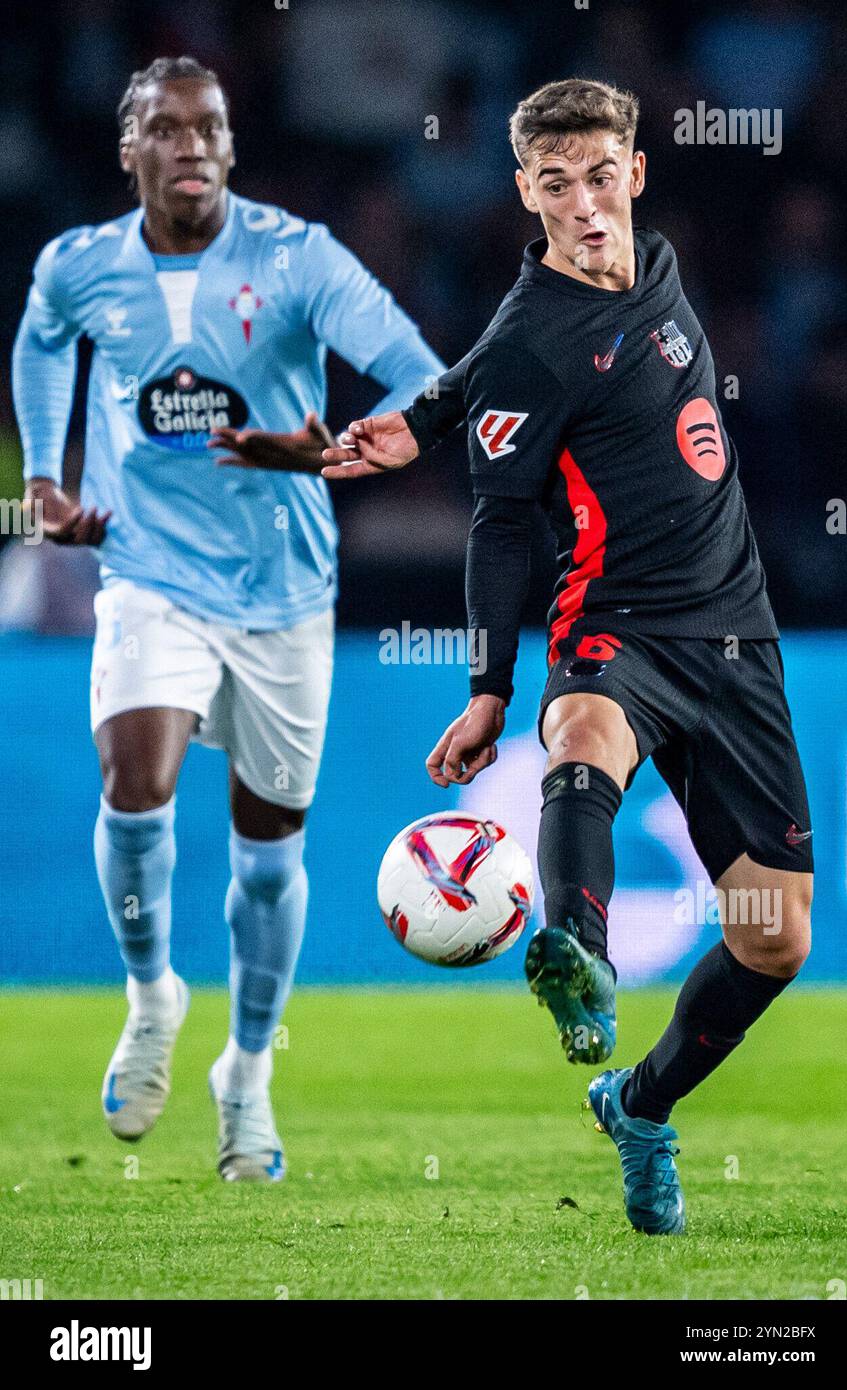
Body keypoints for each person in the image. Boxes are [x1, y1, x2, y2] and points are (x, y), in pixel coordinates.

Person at [316, 78, 814, 1235]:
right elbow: (501, 522)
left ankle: (637, 1103)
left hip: (737, 633)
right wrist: (491, 689)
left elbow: (474, 371)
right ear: (525, 196)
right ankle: (579, 964)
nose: (585, 206)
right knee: (581, 734)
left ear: (635, 174)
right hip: (614, 623)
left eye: (601, 177)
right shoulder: (533, 346)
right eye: (556, 186)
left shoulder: (660, 266)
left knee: (775, 940)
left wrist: (430, 410)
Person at [12, 55, 444, 1183]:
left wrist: (327, 448)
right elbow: (41, 334)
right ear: (129, 150)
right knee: (136, 779)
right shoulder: (82, 265)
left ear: (232, 148)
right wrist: (50, 480)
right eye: (167, 128)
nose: (192, 144)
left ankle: (245, 1071)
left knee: (266, 861)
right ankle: (152, 989)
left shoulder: (299, 257)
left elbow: (420, 379)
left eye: (210, 127)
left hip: (285, 593)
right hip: (148, 573)